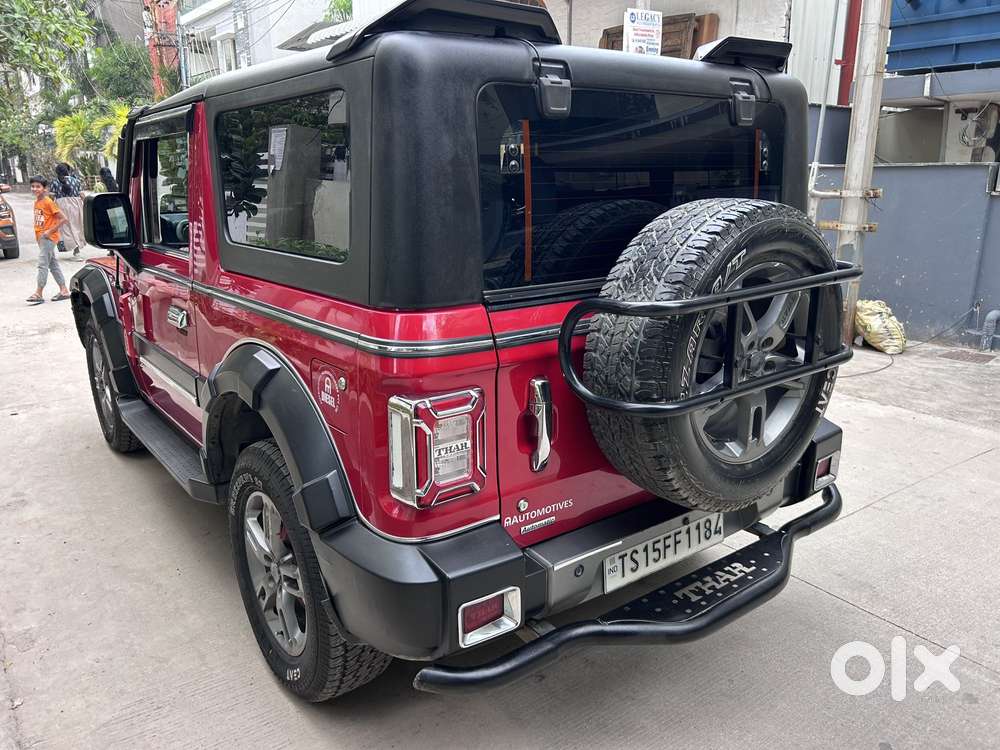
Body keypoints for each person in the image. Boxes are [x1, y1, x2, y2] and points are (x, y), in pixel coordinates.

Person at [26, 176, 71, 305]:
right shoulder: (37, 202)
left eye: (38, 186)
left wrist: (49, 232)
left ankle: (38, 293)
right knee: (53, 264)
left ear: (44, 188)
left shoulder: (48, 202)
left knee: (42, 264)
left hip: (48, 238)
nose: (35, 189)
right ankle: (64, 290)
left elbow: (64, 219)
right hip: (41, 238)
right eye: (33, 186)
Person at [53, 162, 85, 262]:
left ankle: (72, 248)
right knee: (76, 227)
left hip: (61, 207)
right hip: (76, 205)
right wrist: (88, 205)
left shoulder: (55, 182)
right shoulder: (76, 181)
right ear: (68, 171)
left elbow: (51, 197)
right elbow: (82, 195)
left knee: (65, 229)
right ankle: (77, 251)